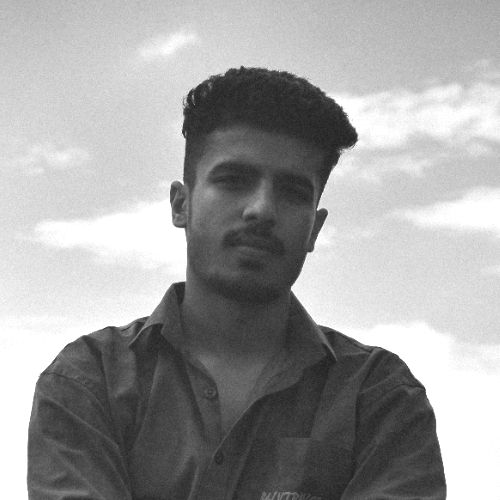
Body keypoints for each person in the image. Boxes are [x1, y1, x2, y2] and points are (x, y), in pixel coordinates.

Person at [28, 67, 446, 500]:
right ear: (181, 205)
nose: (261, 209)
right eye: (233, 181)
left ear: (315, 229)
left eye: (293, 192)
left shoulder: (379, 396)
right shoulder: (88, 380)